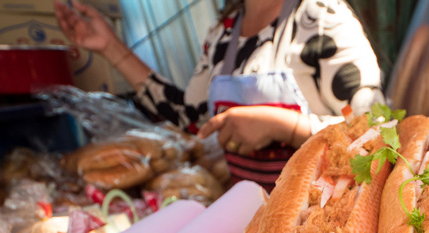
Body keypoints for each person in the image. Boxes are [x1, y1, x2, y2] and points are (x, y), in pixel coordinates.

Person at [54, 0, 384, 190]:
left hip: (324, 217)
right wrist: (109, 46)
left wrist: (286, 126)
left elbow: (377, 131)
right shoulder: (225, 29)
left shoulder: (321, 17)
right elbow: (192, 119)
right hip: (252, 215)